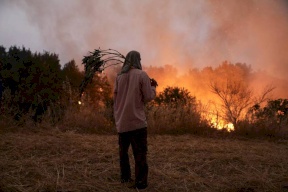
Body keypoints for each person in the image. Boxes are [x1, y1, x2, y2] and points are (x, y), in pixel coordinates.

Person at [113, 50, 157, 189]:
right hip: (137, 123)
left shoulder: (119, 77)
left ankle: (125, 178)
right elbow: (148, 96)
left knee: (123, 154)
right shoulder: (142, 75)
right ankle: (141, 182)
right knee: (140, 154)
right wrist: (153, 86)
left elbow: (115, 98)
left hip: (122, 122)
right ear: (138, 60)